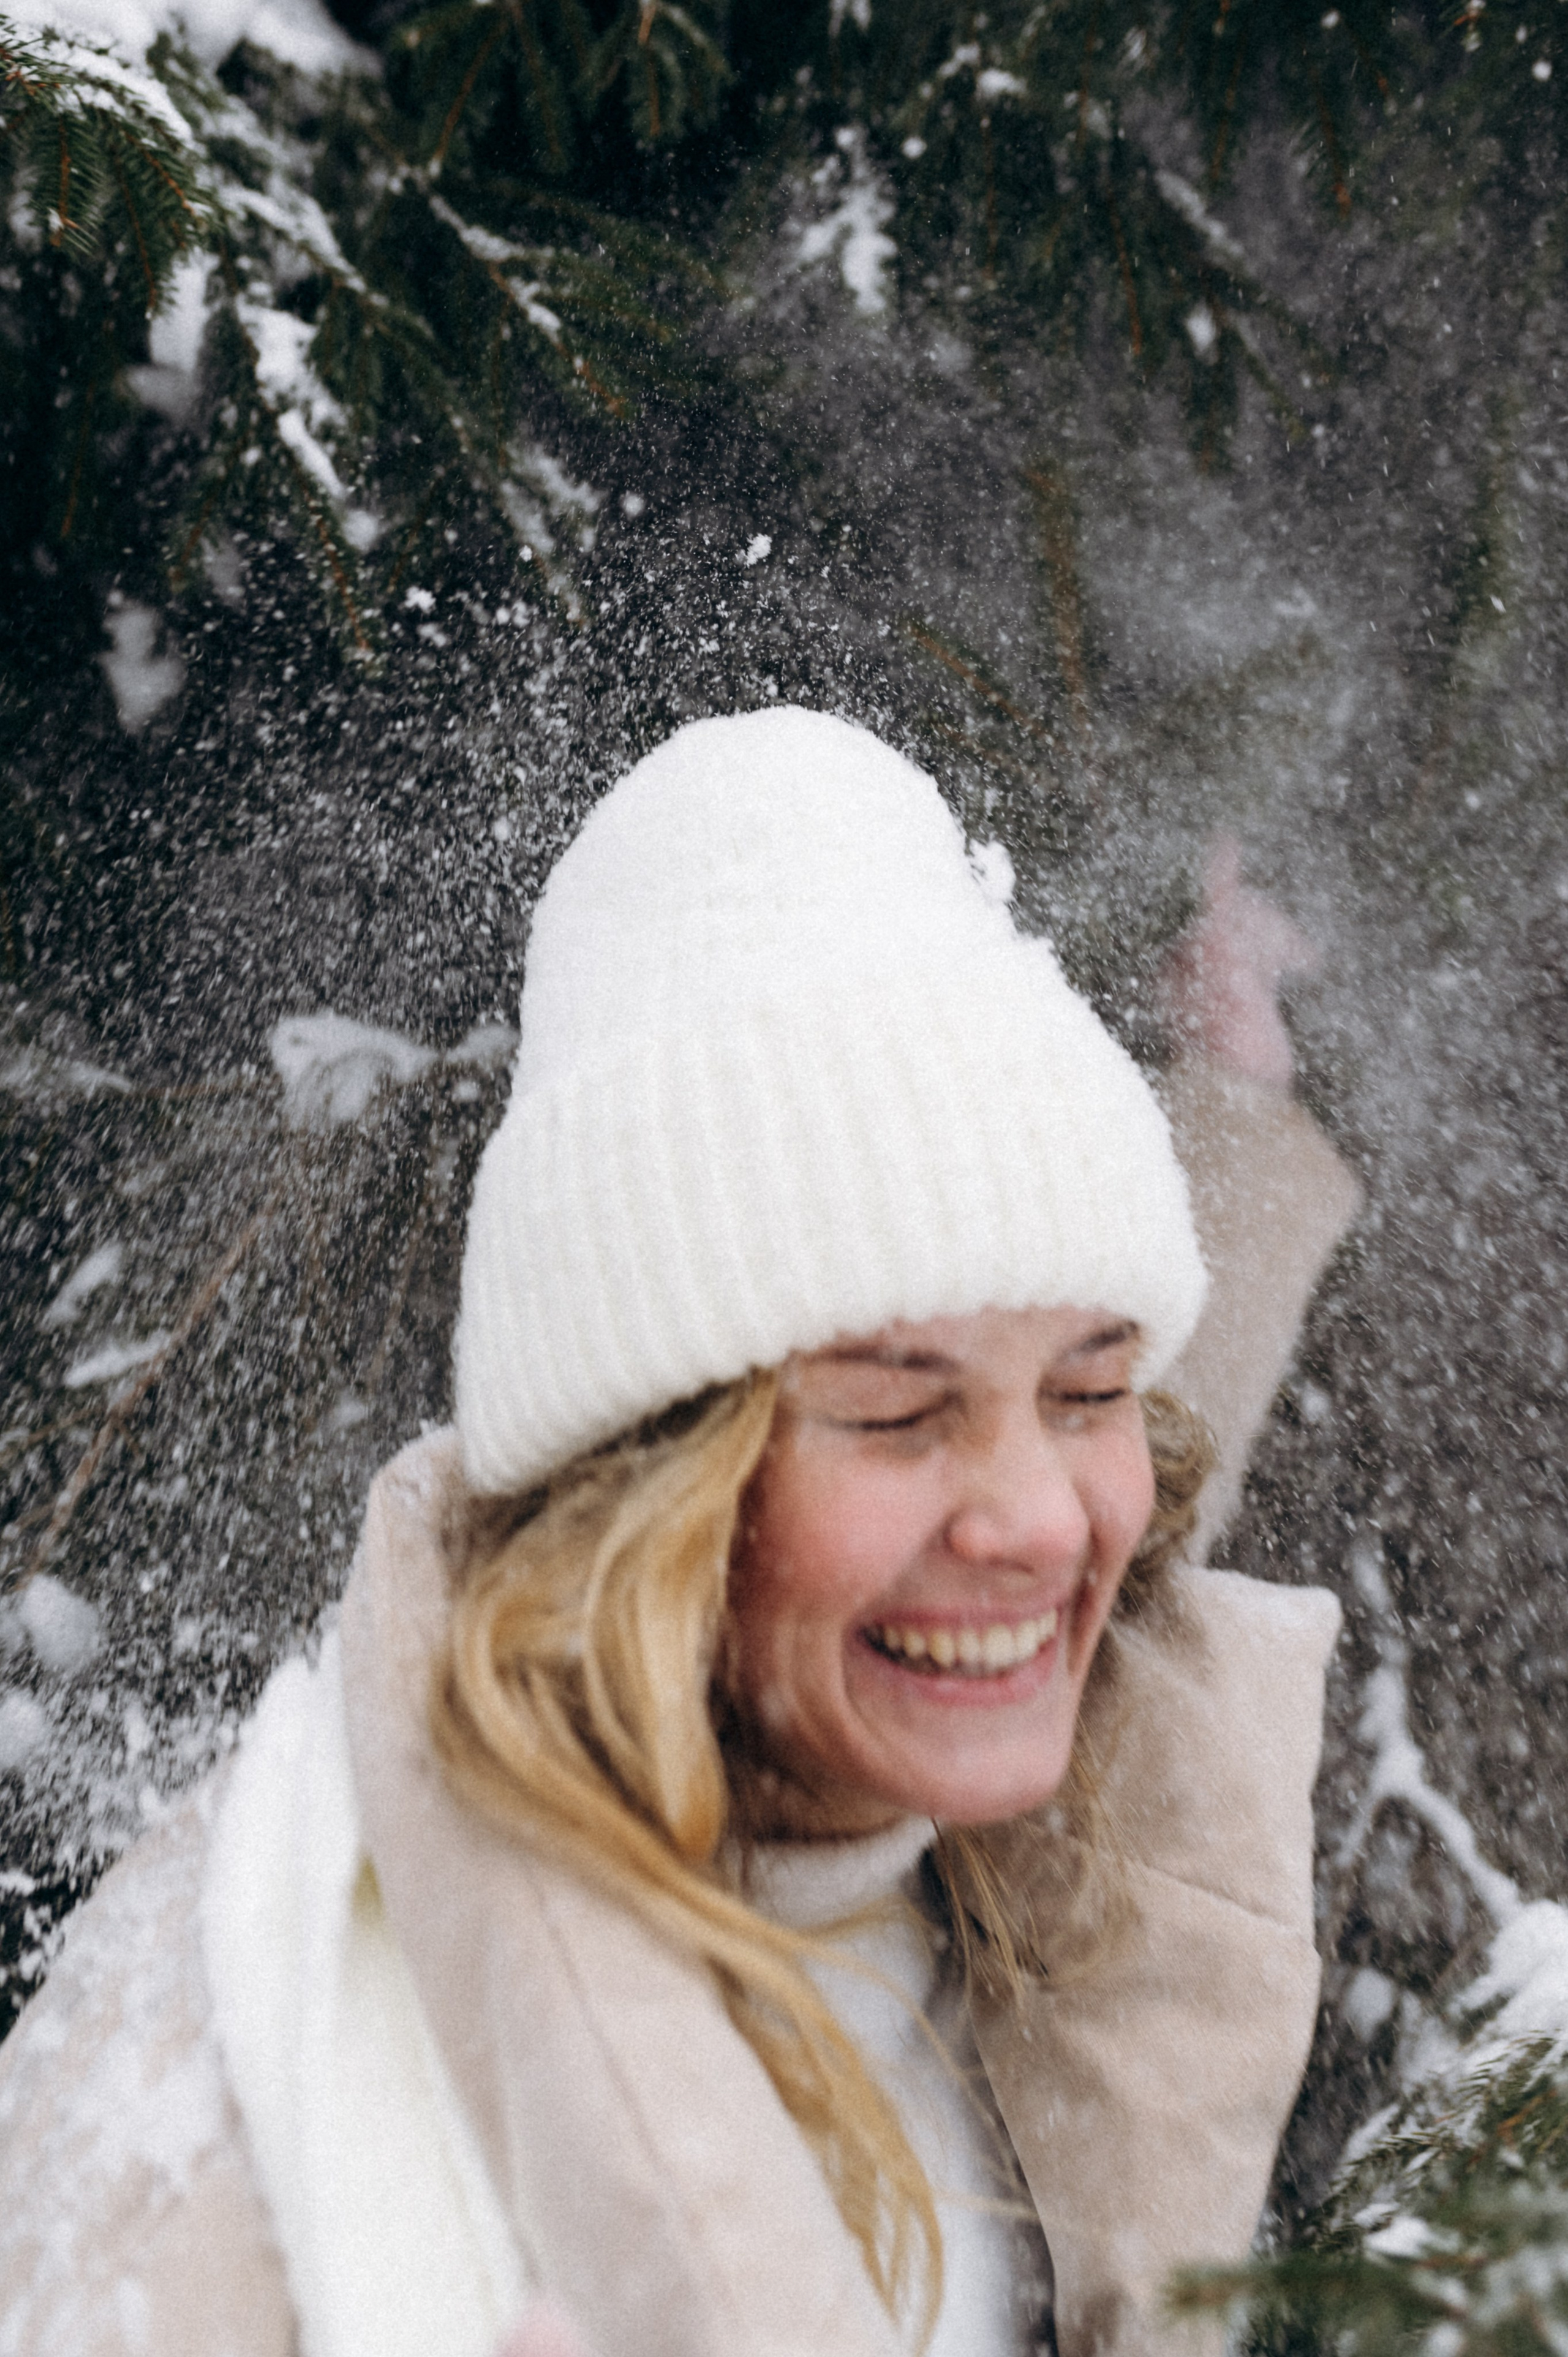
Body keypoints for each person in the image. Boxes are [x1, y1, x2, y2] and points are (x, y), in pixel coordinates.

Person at [0, 707, 1359, 2357]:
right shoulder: (227, 2064)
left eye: (1088, 1393)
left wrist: (1230, 1115)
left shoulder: (1015, 1883)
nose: (1037, 1520)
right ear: (652, 1477)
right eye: (897, 1412)